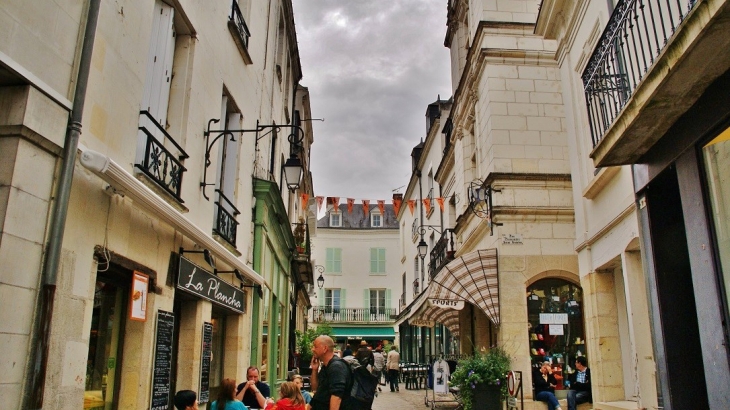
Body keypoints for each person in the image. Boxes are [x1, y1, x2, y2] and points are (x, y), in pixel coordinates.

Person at [309, 335, 351, 410]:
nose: (312, 349)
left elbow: (337, 396)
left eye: (315, 346)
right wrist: (314, 369)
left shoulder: (336, 367)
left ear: (325, 349)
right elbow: (315, 388)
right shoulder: (326, 366)